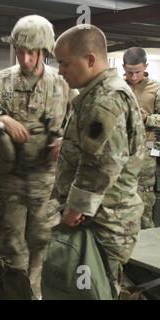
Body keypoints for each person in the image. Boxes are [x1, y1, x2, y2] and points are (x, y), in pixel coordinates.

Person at [0, 15, 73, 298]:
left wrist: (65, 140)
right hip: (8, 183)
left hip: (45, 183)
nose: (25, 59)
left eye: (31, 53)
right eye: (20, 51)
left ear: (44, 51)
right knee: (10, 249)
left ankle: (35, 293)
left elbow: (76, 125)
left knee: (43, 244)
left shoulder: (61, 84)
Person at [54, 24, 145, 296]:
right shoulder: (95, 94)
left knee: (97, 290)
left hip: (102, 222)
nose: (60, 71)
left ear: (90, 59)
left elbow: (102, 164)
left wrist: (74, 208)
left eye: (64, 63)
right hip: (97, 217)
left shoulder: (105, 98)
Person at [122, 47, 160, 229]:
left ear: (145, 66)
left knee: (144, 201)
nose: (134, 76)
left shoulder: (156, 88)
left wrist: (147, 118)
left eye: (137, 72)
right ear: (123, 67)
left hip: (147, 150)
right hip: (118, 151)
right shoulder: (116, 87)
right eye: (129, 72)